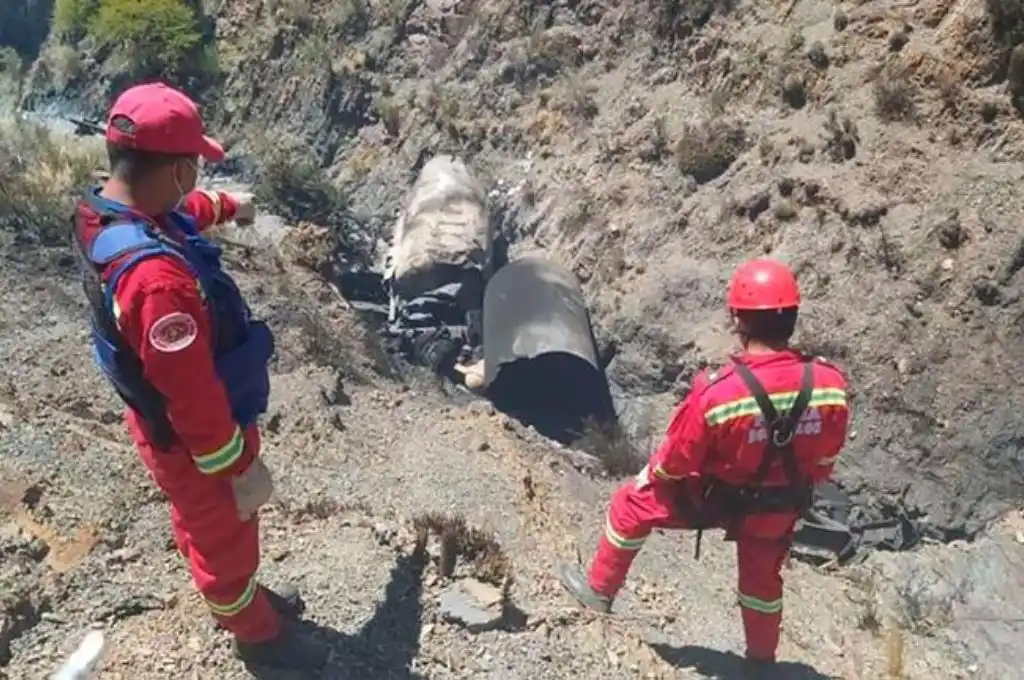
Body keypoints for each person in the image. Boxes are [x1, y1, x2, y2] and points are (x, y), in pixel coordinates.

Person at [71, 82, 328, 672]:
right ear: (180, 167)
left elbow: (182, 211)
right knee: (225, 537)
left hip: (161, 426)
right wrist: (238, 465)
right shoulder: (159, 288)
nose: (196, 181)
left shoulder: (110, 207)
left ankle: (238, 596)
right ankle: (255, 633)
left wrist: (229, 205)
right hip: (197, 442)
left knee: (202, 522)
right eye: (195, 168)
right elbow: (193, 399)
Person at [558, 258, 850, 676]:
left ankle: (598, 593)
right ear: (793, 316)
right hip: (781, 505)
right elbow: (824, 462)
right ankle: (761, 663)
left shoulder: (719, 392)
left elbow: (676, 462)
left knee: (629, 505)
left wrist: (654, 476)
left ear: (738, 319)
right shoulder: (829, 385)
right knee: (762, 584)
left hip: (717, 499)